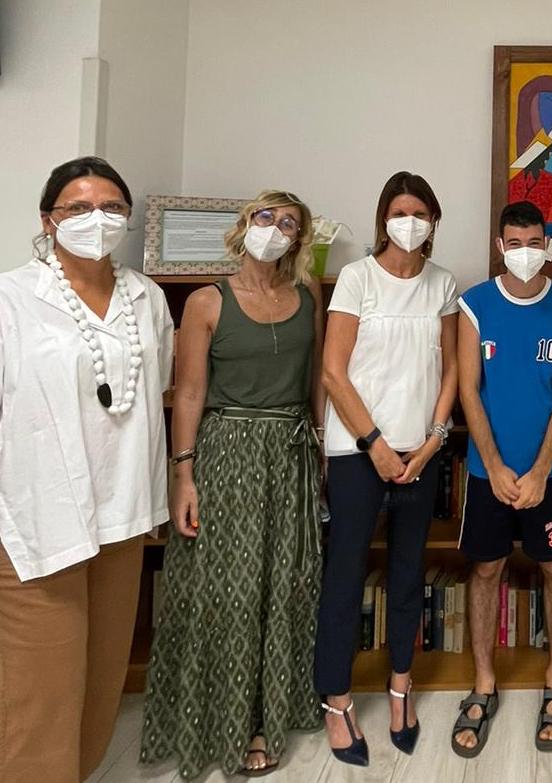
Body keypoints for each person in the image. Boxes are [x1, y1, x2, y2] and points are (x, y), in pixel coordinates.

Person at [139, 190, 325, 778]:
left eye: (288, 222)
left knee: (286, 586)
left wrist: (321, 451)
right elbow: (190, 391)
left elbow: (316, 380)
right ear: (245, 225)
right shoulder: (206, 302)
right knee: (229, 592)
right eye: (265, 217)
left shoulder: (309, 295)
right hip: (227, 455)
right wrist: (183, 473)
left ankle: (269, 717)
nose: (275, 228)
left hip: (291, 453)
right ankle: (220, 720)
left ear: (298, 239)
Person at [0, 156, 173, 781]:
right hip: (38, 522)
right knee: (40, 697)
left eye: (110, 207)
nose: (96, 219)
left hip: (121, 516)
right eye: (78, 207)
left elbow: (156, 387)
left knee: (101, 687)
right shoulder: (11, 298)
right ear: (49, 219)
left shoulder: (147, 297)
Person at [314, 171, 458, 766]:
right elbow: (333, 371)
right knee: (345, 577)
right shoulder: (357, 278)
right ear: (384, 219)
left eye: (420, 213)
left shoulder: (443, 284)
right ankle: (337, 700)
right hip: (358, 453)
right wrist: (373, 443)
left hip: (419, 453)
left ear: (433, 222)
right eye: (400, 213)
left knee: (406, 576)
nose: (409, 223)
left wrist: (432, 441)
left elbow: (451, 370)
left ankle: (401, 687)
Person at [451, 201, 552, 757]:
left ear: (546, 245)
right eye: (515, 243)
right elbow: (468, 391)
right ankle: (483, 683)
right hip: (489, 473)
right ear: (500, 246)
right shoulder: (474, 304)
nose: (525, 253)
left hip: (549, 472)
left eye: (535, 243)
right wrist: (497, 466)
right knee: (486, 570)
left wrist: (537, 472)